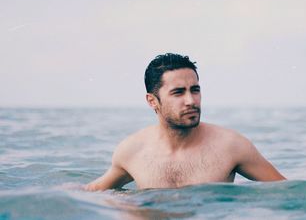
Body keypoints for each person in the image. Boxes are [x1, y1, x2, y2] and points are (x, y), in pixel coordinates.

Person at [85, 53, 286, 190]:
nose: (191, 101)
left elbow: (288, 192)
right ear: (152, 101)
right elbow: (94, 192)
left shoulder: (231, 146)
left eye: (195, 90)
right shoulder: (132, 151)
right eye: (178, 93)